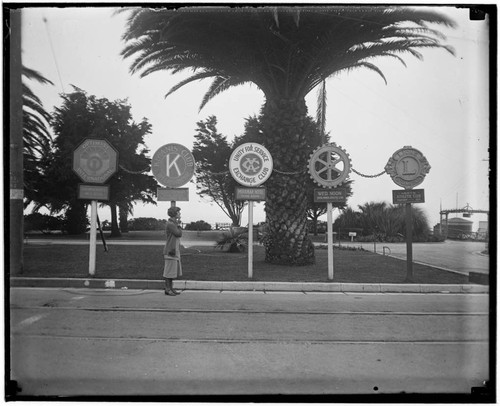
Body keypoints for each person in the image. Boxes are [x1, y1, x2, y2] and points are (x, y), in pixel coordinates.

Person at [163, 206, 183, 296]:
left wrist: (178, 224)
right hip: (170, 250)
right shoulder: (171, 224)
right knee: (169, 271)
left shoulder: (173, 223)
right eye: (178, 212)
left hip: (174, 250)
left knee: (172, 271)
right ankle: (167, 289)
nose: (180, 214)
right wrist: (179, 225)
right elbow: (178, 233)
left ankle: (171, 288)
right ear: (174, 213)